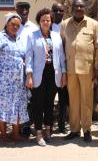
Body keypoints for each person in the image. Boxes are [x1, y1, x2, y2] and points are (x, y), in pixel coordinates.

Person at [60, 0, 98, 142]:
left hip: (87, 69)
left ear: (85, 8)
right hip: (70, 69)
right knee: (73, 100)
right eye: (76, 6)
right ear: (71, 9)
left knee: (87, 100)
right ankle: (74, 130)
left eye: (81, 6)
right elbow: (62, 46)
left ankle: (87, 129)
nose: (78, 8)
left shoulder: (94, 24)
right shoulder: (65, 24)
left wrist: (97, 68)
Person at [25, 8, 67, 146]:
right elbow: (29, 57)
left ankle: (48, 130)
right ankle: (38, 133)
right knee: (38, 105)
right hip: (38, 74)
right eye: (43, 20)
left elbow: (61, 56)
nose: (45, 22)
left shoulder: (56, 36)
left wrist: (64, 74)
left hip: (53, 73)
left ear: (51, 21)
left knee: (49, 104)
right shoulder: (32, 36)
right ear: (39, 21)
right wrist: (29, 75)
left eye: (48, 20)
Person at [0, 12, 28, 143]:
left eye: (18, 25)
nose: (15, 27)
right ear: (6, 24)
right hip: (2, 81)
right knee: (1, 106)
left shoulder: (20, 38)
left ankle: (15, 134)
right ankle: (4, 135)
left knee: (17, 106)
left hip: (18, 81)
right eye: (12, 24)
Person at [15, 1, 38, 137]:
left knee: (31, 99)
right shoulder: (12, 26)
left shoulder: (33, 28)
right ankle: (18, 126)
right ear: (16, 10)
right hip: (16, 70)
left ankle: (28, 126)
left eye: (26, 8)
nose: (24, 10)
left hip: (30, 69)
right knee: (18, 98)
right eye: (21, 8)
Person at [51, 3, 70, 134]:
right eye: (56, 10)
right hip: (49, 69)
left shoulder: (68, 26)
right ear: (52, 12)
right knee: (49, 99)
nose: (58, 12)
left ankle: (62, 125)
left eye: (61, 10)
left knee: (63, 100)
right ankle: (49, 125)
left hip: (64, 68)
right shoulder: (47, 25)